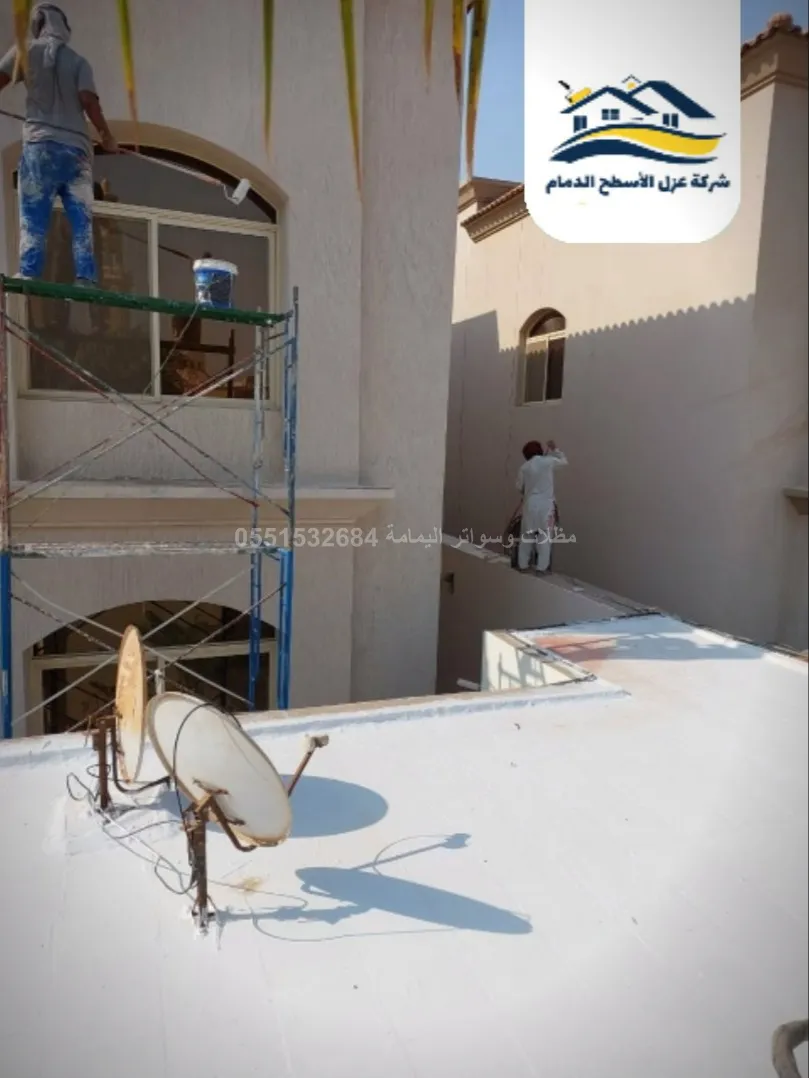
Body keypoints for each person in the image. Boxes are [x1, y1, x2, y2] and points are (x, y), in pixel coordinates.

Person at [0, 4, 118, 285]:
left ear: (38, 26)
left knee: (34, 213)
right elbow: (89, 101)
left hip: (40, 148)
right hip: (77, 153)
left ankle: (30, 273)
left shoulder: (25, 52)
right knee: (81, 218)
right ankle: (86, 278)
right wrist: (106, 136)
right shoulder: (78, 62)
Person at [515, 439, 568, 573]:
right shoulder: (547, 462)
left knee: (527, 536)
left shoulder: (524, 467)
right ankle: (541, 568)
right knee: (544, 537)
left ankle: (523, 565)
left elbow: (520, 487)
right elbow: (564, 462)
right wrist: (555, 450)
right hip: (546, 506)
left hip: (530, 505)